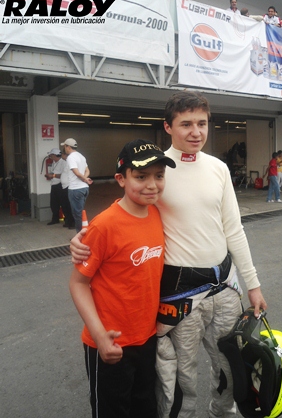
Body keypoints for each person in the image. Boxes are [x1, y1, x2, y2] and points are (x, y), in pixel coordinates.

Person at [70, 91, 267, 418]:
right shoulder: (157, 167)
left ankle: (224, 413)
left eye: (202, 124)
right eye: (186, 124)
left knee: (232, 369)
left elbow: (234, 229)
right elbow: (126, 208)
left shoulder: (218, 168)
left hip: (226, 285)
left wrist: (253, 285)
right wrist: (83, 236)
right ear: (168, 127)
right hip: (181, 293)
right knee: (180, 379)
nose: (196, 132)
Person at [69, 139, 176, 418]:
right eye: (141, 177)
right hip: (110, 342)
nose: (152, 185)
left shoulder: (156, 213)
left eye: (159, 176)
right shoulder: (104, 225)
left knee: (145, 407)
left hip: (147, 337)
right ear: (121, 178)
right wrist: (100, 336)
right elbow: (78, 283)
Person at [61, 138, 93, 233]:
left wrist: (84, 178)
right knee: (81, 213)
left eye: (65, 146)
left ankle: (81, 236)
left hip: (75, 189)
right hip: (84, 188)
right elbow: (87, 171)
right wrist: (85, 179)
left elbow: (76, 172)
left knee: (77, 214)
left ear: (68, 147)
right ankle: (83, 233)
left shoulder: (71, 157)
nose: (64, 149)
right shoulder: (81, 156)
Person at [44, 148, 66, 226]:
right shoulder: (53, 162)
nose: (50, 157)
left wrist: (52, 175)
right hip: (53, 184)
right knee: (53, 203)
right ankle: (55, 219)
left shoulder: (63, 163)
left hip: (60, 185)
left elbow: (63, 175)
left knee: (63, 203)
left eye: (51, 155)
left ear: (55, 155)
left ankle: (67, 220)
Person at [60, 150, 75, 230]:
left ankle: (72, 222)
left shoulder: (70, 162)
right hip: (64, 186)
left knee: (69, 206)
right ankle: (68, 221)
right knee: (64, 205)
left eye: (62, 154)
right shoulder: (65, 162)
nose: (61, 155)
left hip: (69, 186)